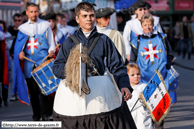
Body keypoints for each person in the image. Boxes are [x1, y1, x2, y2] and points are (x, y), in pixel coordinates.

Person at [52, 2, 137, 128]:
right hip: (75, 99)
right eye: (85, 16)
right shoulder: (69, 42)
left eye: (91, 15)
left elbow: (117, 65)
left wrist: (124, 85)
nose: (89, 19)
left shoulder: (104, 40)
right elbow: (57, 67)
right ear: (77, 18)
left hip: (101, 95)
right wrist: (72, 72)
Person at [130, 14, 174, 129]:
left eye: (150, 24)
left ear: (153, 25)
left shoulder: (162, 37)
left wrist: (167, 67)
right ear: (141, 26)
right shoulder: (136, 41)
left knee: (159, 109)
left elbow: (170, 54)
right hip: (143, 80)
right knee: (145, 109)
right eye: (145, 25)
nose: (148, 27)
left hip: (160, 79)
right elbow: (132, 61)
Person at [13, 3, 55, 121]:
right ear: (27, 13)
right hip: (28, 64)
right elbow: (18, 47)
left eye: (36, 11)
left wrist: (51, 51)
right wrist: (20, 54)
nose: (34, 14)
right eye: (31, 12)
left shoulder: (45, 25)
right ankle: (36, 114)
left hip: (43, 62)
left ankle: (45, 114)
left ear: (39, 12)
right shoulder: (22, 29)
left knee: (44, 90)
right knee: (33, 92)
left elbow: (51, 42)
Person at [126, 63, 152, 129]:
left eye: (138, 74)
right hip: (131, 117)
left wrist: (143, 99)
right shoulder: (125, 89)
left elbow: (151, 102)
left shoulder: (144, 87)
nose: (136, 76)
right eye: (132, 75)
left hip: (143, 118)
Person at [8, 13, 24, 101]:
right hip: (13, 57)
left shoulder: (24, 31)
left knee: (22, 76)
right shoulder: (9, 31)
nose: (17, 22)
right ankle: (14, 93)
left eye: (19, 20)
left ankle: (22, 93)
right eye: (15, 20)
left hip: (23, 57)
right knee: (14, 76)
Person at [0, 20, 12, 106]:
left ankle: (5, 99)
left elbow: (8, 46)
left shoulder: (6, 34)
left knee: (5, 81)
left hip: (4, 60)